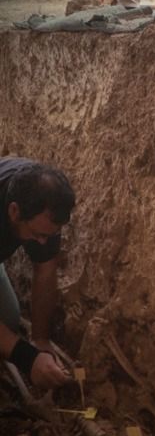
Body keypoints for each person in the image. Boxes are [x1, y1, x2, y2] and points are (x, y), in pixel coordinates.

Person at [0, 158, 75, 390]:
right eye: (37, 234)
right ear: (14, 211)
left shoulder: (43, 204)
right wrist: (28, 358)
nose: (43, 242)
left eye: (49, 236)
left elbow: (45, 268)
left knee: (8, 320)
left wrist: (40, 340)